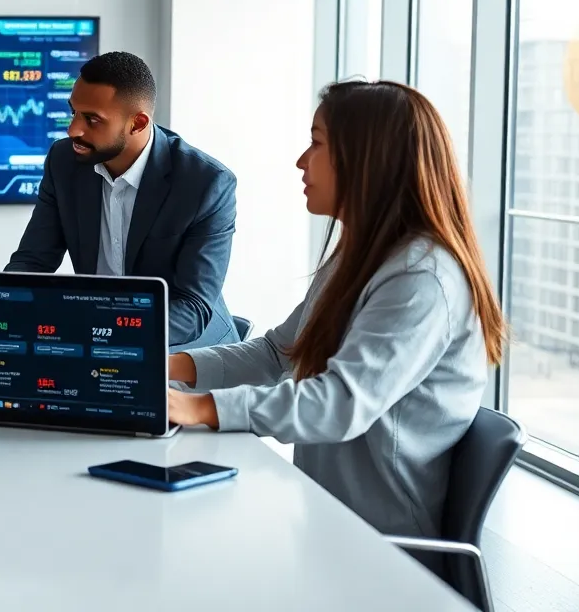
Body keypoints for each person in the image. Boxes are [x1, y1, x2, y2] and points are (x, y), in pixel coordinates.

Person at [165, 80, 506, 548]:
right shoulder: (359, 256)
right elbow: (277, 353)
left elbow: (341, 403)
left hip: (379, 548)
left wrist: (200, 407)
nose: (301, 161)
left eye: (317, 143)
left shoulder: (422, 278)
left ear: (367, 159)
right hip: (321, 516)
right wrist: (164, 367)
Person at [0, 51, 239, 351]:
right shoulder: (64, 162)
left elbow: (191, 309)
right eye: (73, 112)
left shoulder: (206, 184)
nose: (73, 129)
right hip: (100, 342)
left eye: (92, 120)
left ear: (138, 123)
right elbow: (33, 261)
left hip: (188, 349)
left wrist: (97, 331)